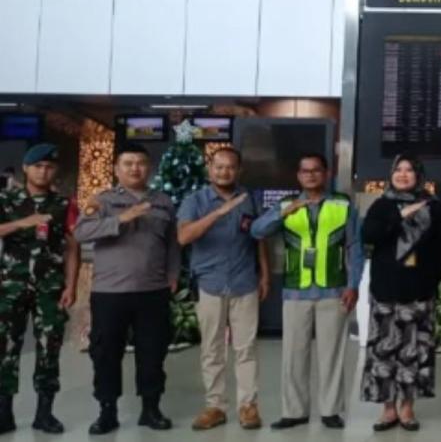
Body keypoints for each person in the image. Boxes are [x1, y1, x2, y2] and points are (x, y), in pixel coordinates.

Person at [250, 154, 362, 431]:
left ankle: (331, 411)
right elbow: (257, 230)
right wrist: (285, 211)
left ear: (326, 173)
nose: (310, 175)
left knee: (331, 355)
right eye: (305, 171)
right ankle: (294, 411)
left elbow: (355, 247)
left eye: (316, 170)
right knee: (294, 355)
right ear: (298, 175)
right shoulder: (286, 204)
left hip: (333, 290)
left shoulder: (342, 204)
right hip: (295, 291)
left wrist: (353, 284)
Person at [73, 143, 180, 434]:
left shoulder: (163, 202)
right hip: (110, 293)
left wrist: (173, 274)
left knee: (153, 352)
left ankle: (151, 408)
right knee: (106, 353)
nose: (135, 168)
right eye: (128, 163)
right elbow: (81, 232)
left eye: (141, 163)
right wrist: (120, 219)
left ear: (149, 168)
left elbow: (172, 244)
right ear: (117, 169)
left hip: (153, 291)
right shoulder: (103, 200)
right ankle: (107, 411)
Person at [176, 148, 270, 431]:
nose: (224, 172)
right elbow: (184, 236)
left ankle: (248, 406)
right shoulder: (195, 200)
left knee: (246, 349)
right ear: (210, 169)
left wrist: (265, 275)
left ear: (239, 170)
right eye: (219, 167)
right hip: (210, 283)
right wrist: (218, 213)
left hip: (244, 282)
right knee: (212, 349)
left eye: (230, 167)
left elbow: (259, 238)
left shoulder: (249, 199)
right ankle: (215, 406)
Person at [359, 154, 441, 432]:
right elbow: (369, 235)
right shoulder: (382, 204)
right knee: (384, 352)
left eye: (409, 170)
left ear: (419, 175)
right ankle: (388, 409)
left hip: (419, 292)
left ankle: (407, 407)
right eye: (398, 169)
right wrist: (399, 216)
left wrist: (431, 281)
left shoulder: (433, 207)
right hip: (385, 291)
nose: (403, 174)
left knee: (414, 351)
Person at [0, 144, 80, 434]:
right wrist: (23, 223)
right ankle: (4, 413)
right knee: (6, 348)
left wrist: (71, 285)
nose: (43, 172)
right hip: (11, 285)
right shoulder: (6, 199)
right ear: (25, 168)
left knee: (50, 347)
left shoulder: (64, 204)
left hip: (50, 287)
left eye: (49, 167)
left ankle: (44, 414)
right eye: (38, 166)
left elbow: (72, 247)